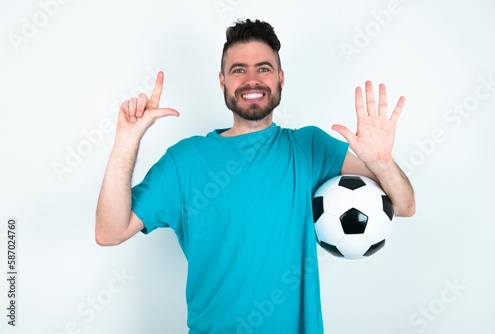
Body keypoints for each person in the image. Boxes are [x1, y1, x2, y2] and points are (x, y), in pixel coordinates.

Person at [95, 19, 415, 334]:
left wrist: (381, 162)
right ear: (222, 81)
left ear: (280, 78)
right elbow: (110, 232)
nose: (251, 80)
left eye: (263, 68)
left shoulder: (309, 147)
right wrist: (127, 140)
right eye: (239, 70)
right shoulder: (185, 161)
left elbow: (403, 205)